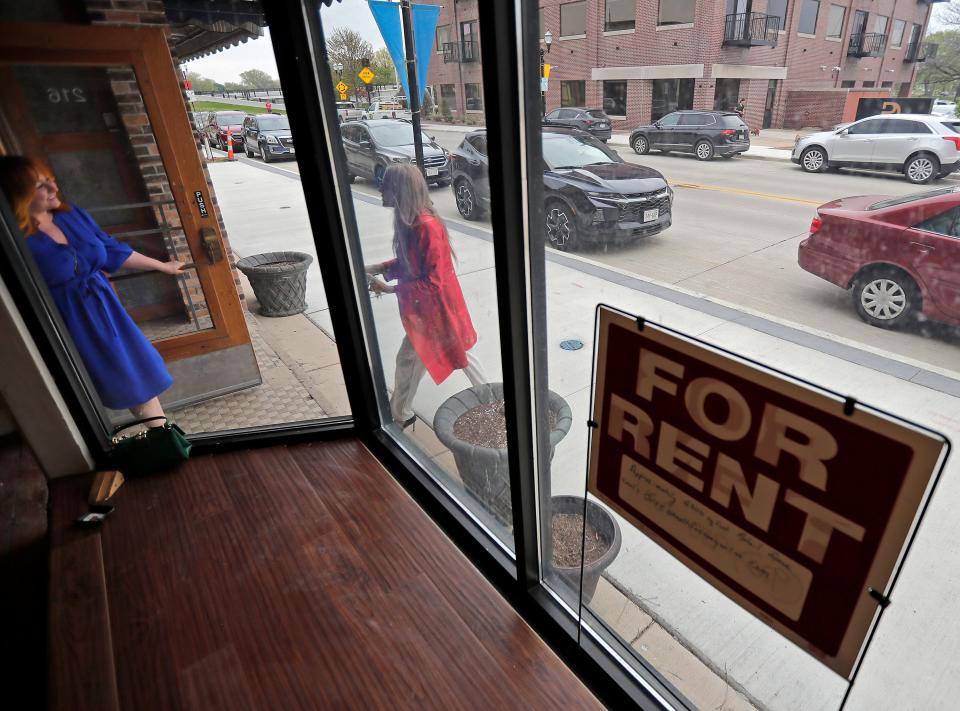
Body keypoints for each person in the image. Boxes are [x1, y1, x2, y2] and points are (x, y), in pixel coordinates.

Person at [0, 156, 183, 425]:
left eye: (50, 180)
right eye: (41, 185)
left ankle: (163, 434)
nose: (53, 189)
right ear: (18, 193)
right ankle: (161, 435)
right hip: (63, 317)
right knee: (105, 380)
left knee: (133, 373)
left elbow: (110, 249)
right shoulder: (12, 237)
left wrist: (162, 266)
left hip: (103, 307)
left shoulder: (71, 215)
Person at [365, 163, 486, 430]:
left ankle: (494, 404)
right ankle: (401, 412)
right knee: (419, 359)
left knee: (454, 357)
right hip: (428, 310)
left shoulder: (426, 226)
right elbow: (412, 263)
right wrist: (382, 268)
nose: (381, 188)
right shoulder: (412, 221)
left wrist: (390, 288)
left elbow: (434, 281)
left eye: (386, 184)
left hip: (437, 310)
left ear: (400, 190)